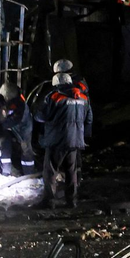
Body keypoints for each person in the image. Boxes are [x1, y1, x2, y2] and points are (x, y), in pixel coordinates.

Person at [34, 72, 93, 209]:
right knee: (71, 171)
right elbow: (88, 118)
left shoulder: (54, 97)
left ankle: (49, 201)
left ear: (57, 84)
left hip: (57, 140)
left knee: (50, 171)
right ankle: (71, 201)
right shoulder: (84, 97)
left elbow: (41, 116)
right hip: (75, 140)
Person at [0, 81, 36, 176]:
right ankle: (6, 171)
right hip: (7, 125)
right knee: (4, 145)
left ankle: (28, 173)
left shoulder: (19, 103)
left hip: (23, 127)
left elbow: (16, 120)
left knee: (26, 148)